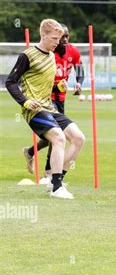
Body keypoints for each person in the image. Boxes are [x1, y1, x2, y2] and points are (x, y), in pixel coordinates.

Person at [6, 19, 85, 199]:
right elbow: (10, 82)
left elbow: (46, 87)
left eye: (60, 38)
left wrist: (59, 88)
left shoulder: (51, 55)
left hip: (50, 106)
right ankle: (56, 187)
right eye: (55, 38)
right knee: (58, 137)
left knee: (79, 138)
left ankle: (56, 180)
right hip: (33, 110)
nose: (58, 42)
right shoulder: (27, 56)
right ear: (43, 35)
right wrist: (25, 102)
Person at [22, 24, 84, 177]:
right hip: (45, 97)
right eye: (61, 37)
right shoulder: (49, 51)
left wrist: (79, 83)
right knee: (56, 136)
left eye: (66, 36)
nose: (64, 40)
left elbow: (80, 70)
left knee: (55, 136)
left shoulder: (73, 51)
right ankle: (50, 172)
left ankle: (31, 152)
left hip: (60, 96)